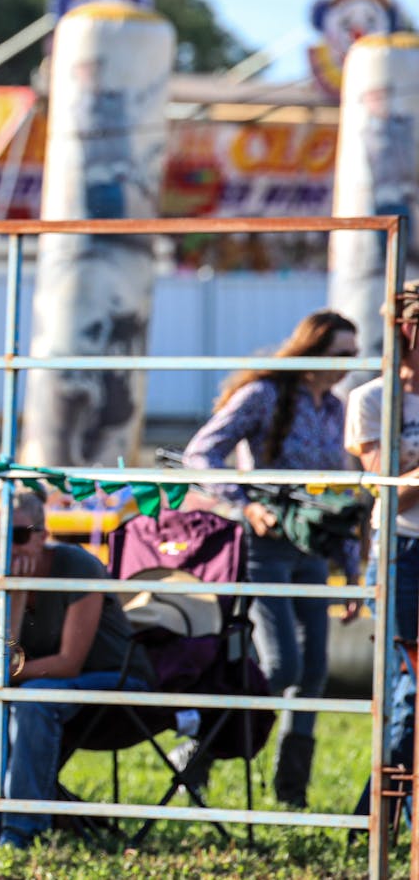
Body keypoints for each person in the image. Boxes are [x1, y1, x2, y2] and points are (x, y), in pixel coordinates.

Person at [182, 309, 358, 809]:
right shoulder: (264, 395)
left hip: (315, 550)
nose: (349, 363)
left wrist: (351, 569)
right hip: (265, 548)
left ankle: (292, 789)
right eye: (341, 353)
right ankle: (200, 749)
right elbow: (201, 453)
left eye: (355, 353)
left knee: (315, 671)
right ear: (311, 351)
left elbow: (339, 496)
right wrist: (243, 503)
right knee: (281, 666)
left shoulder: (336, 409)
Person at [0, 491, 155, 849]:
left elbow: (69, 662)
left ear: (43, 534)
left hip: (115, 679)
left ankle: (22, 828)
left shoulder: (78, 566)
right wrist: (17, 597)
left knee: (31, 699)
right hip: (42, 683)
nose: (6, 547)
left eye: (18, 536)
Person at [347, 281, 419, 822]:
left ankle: (379, 810)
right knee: (408, 683)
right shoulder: (372, 398)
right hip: (401, 544)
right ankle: (387, 814)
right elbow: (388, 486)